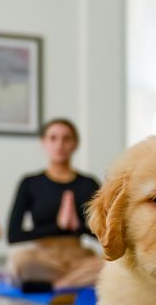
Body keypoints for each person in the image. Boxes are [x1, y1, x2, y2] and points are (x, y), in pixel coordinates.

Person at [7, 118, 102, 290]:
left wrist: (77, 227)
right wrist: (58, 227)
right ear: (43, 142)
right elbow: (13, 235)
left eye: (66, 139)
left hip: (79, 257)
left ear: (75, 144)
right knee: (18, 260)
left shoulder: (88, 184)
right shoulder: (30, 182)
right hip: (44, 257)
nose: (60, 145)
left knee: (111, 265)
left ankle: (55, 285)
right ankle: (73, 283)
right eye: (53, 138)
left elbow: (105, 234)